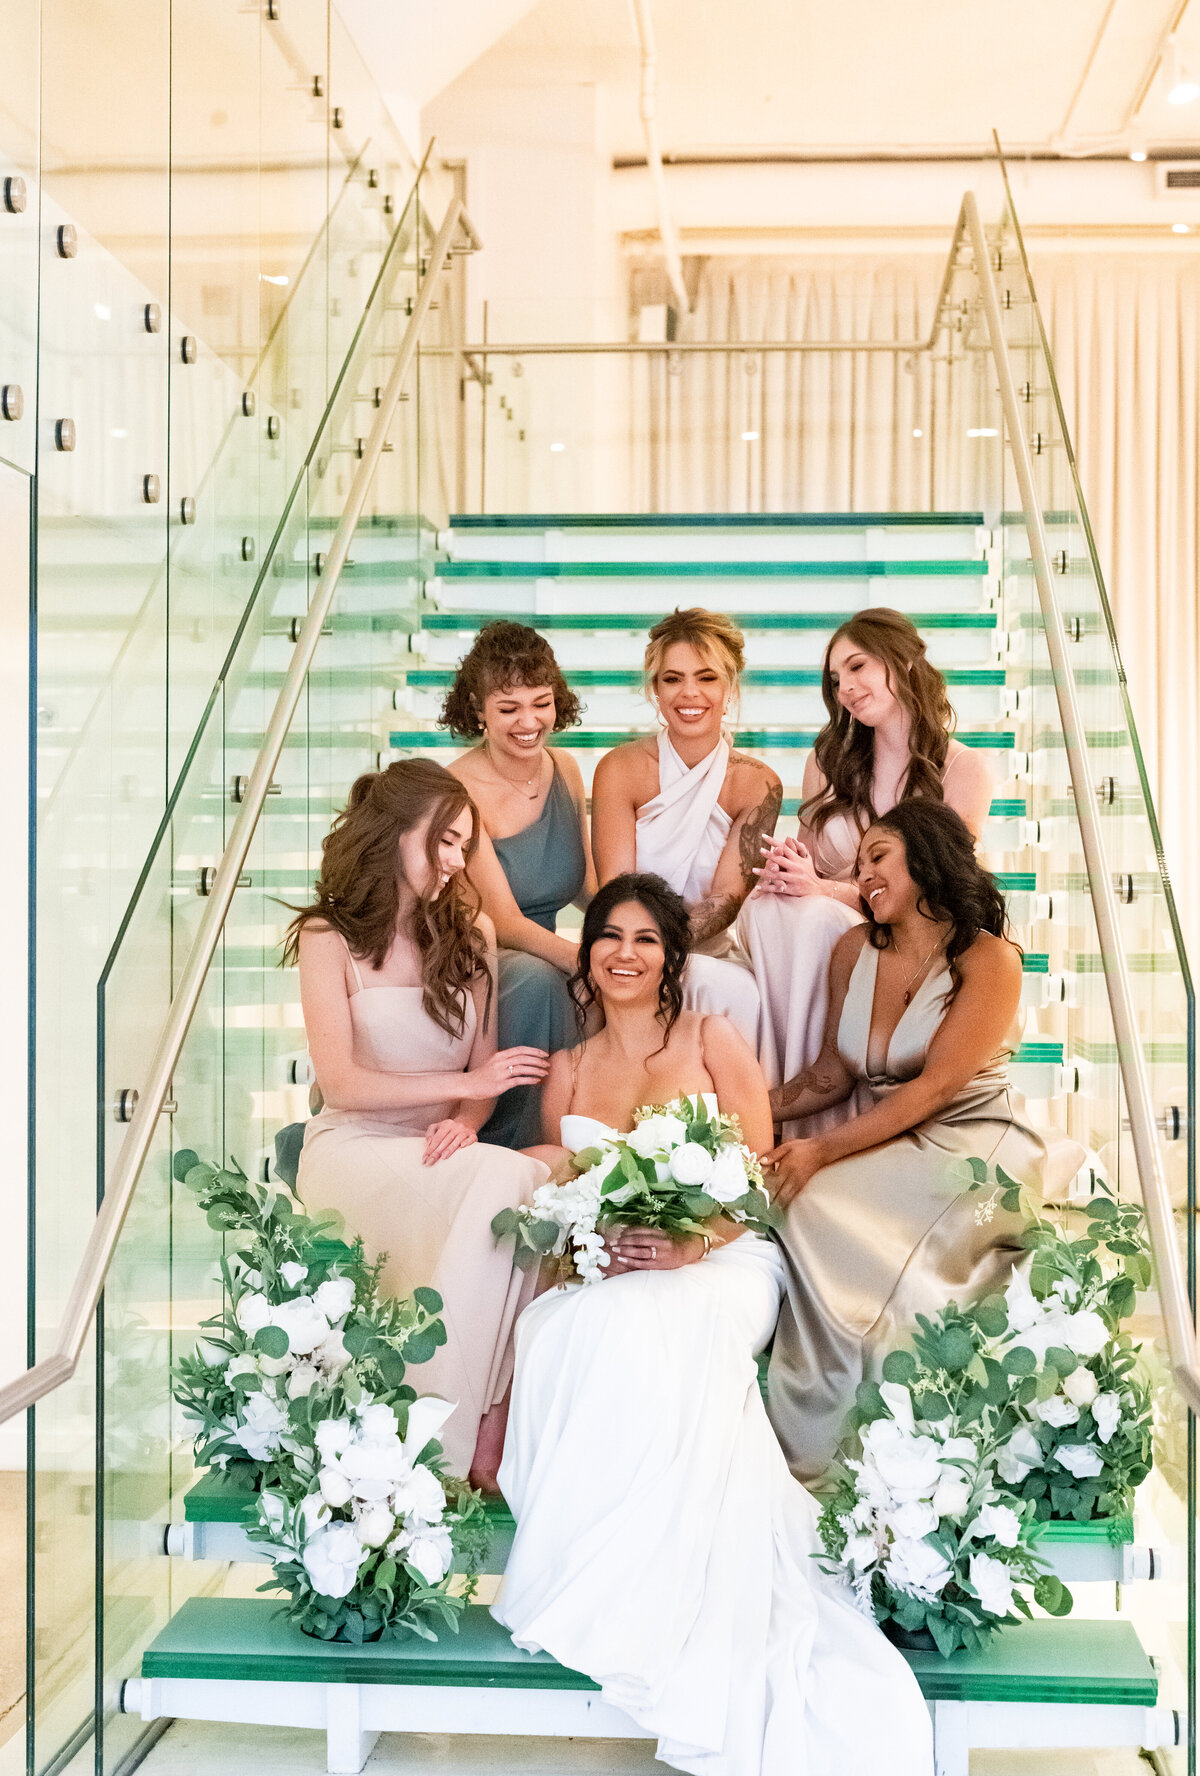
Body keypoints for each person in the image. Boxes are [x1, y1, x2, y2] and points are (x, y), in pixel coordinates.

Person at [492, 872, 933, 1776]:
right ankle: (618, 1575)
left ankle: (673, 1586)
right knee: (561, 1332)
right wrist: (590, 1250)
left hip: (725, 1259)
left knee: (662, 1325)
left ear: (670, 958)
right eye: (608, 937)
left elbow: (762, 1167)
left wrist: (698, 1242)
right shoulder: (569, 1069)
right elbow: (572, 1196)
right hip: (613, 1270)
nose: (624, 953)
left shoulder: (712, 1037)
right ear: (588, 957)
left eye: (645, 939)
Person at [763, 800, 1083, 1485]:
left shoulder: (989, 959)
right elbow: (828, 1074)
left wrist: (819, 1150)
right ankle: (824, 1436)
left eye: (878, 857)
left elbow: (937, 1088)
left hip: (980, 1142)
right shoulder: (854, 948)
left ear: (926, 857)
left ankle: (830, 1453)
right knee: (799, 1204)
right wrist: (737, 1113)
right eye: (857, 866)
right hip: (899, 1140)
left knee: (813, 1200)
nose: (864, 875)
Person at [285, 758, 551, 1485]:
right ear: (397, 831)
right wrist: (466, 1083)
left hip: (437, 1148)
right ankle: (448, 1438)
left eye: (465, 845)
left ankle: (476, 1420)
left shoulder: (472, 934)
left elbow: (486, 1076)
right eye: (444, 840)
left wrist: (469, 1114)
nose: (455, 860)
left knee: (521, 1176)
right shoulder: (326, 936)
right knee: (516, 1174)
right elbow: (339, 1080)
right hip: (353, 1150)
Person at [738, 607, 994, 1139]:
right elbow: (807, 859)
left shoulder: (962, 768)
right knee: (771, 906)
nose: (846, 688)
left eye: (857, 667)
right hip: (822, 915)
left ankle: (827, 1119)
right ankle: (773, 1106)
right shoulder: (827, 760)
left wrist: (827, 889)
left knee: (814, 920)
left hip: (908, 930)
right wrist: (787, 868)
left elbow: (942, 882)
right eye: (836, 679)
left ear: (902, 661)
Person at [591, 607, 780, 1049]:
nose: (689, 693)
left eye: (707, 677)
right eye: (672, 678)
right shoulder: (618, 769)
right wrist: (640, 950)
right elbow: (617, 889)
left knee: (726, 987)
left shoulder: (757, 782)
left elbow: (725, 899)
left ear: (730, 687)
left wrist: (666, 949)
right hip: (625, 943)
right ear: (654, 689)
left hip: (706, 947)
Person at [441, 621, 597, 1149]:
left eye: (542, 703)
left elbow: (587, 885)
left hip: (544, 950)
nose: (529, 722)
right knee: (542, 981)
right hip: (481, 954)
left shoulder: (567, 769)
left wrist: (630, 936)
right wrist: (584, 961)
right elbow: (504, 923)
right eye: (508, 708)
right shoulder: (457, 787)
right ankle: (513, 1148)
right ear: (478, 709)